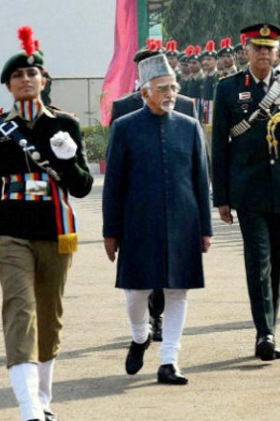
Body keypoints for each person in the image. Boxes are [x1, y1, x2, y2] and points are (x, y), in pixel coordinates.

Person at [0, 26, 93, 421]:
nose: (26, 79)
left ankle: (43, 398)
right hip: (10, 234)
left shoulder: (65, 124)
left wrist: (67, 159)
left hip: (54, 232)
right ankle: (28, 411)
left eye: (33, 73)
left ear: (44, 80)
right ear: (8, 85)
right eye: (18, 75)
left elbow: (80, 187)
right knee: (20, 311)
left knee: (49, 316)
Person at [103, 54, 212, 385]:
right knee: (137, 292)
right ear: (145, 92)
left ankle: (169, 361)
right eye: (162, 88)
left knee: (178, 292)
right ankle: (139, 336)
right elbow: (114, 185)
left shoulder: (189, 126)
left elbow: (200, 180)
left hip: (183, 222)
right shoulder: (125, 128)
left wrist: (204, 228)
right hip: (139, 223)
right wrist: (111, 231)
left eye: (173, 88)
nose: (170, 94)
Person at [212, 23, 280, 361]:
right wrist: (220, 196)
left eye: (269, 48)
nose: (264, 53)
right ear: (246, 52)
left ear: (277, 52)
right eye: (257, 48)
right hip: (248, 189)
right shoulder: (228, 89)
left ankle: (270, 327)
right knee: (259, 262)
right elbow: (218, 146)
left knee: (278, 265)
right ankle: (264, 333)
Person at [109, 44, 198, 343]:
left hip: (176, 209)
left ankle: (158, 325)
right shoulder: (123, 109)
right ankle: (144, 325)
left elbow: (198, 166)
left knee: (172, 279)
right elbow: (116, 170)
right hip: (141, 208)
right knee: (141, 280)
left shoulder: (186, 106)